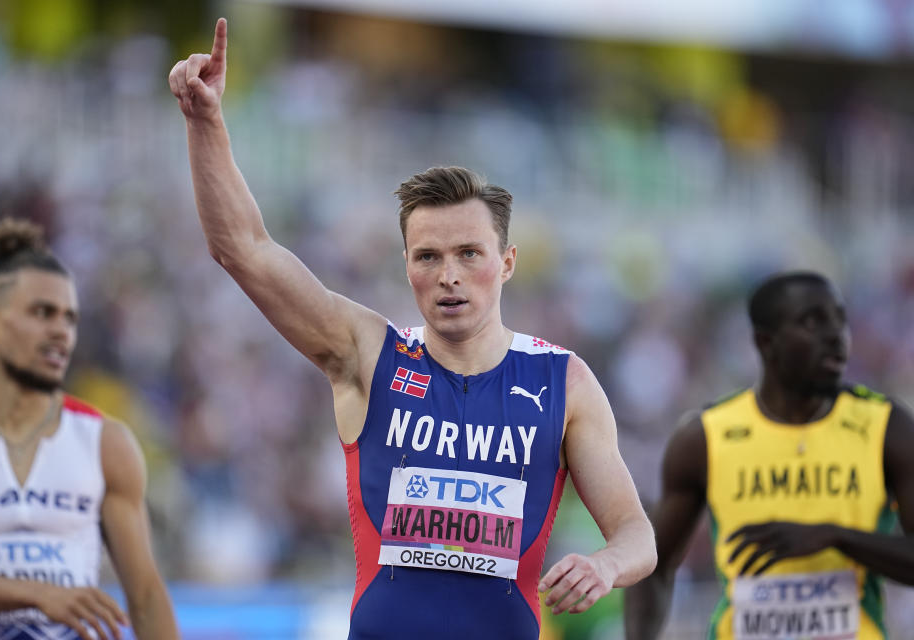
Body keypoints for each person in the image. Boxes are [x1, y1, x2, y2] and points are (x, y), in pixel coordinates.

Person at [169, 18, 656, 640]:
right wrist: (205, 124)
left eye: (468, 254)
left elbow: (638, 534)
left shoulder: (564, 382)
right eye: (428, 257)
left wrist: (604, 564)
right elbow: (242, 247)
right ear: (406, 266)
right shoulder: (367, 355)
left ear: (506, 262)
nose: (448, 275)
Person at [623, 271, 914, 639]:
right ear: (765, 342)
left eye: (840, 320)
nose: (836, 337)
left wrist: (837, 537)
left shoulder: (886, 428)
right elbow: (653, 564)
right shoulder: (706, 436)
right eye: (812, 322)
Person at [0, 218, 180, 640]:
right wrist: (40, 594)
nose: (61, 331)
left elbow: (146, 596)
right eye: (42, 313)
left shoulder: (105, 443)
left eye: (70, 318)